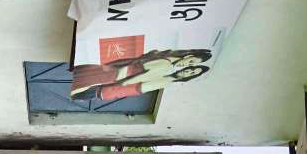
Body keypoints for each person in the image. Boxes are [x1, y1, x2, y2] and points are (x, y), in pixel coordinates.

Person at [71, 49, 212, 101]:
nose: (187, 66)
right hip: (121, 73)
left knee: (84, 77)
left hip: (121, 71)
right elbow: (143, 75)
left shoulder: (168, 60)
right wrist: (126, 82)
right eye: (191, 62)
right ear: (189, 55)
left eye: (191, 67)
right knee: (84, 80)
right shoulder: (167, 64)